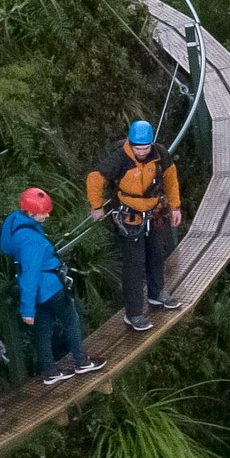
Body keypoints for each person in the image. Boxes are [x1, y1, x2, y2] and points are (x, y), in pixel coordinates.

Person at [88, 118, 183, 332]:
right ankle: (134, 313)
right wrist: (96, 206)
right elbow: (95, 177)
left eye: (145, 147)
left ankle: (157, 293)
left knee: (157, 254)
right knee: (134, 266)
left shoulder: (160, 154)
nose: (142, 152)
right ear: (131, 144)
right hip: (129, 215)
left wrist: (175, 207)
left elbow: (170, 179)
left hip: (154, 211)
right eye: (138, 148)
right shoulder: (120, 158)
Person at [0, 187, 101, 386]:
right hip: (49, 287)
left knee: (43, 329)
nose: (47, 215)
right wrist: (26, 309)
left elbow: (6, 247)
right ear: (30, 212)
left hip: (37, 291)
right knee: (71, 319)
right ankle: (81, 362)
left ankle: (49, 371)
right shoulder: (32, 242)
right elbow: (31, 275)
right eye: (43, 213)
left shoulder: (14, 219)